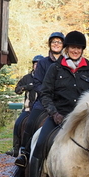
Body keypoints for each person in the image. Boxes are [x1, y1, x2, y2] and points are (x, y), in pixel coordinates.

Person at [26, 30, 89, 177]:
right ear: (67, 49)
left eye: (79, 48)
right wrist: (53, 113)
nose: (75, 50)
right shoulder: (55, 68)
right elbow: (45, 93)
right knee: (41, 141)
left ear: (82, 50)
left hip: (82, 120)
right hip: (59, 116)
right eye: (72, 47)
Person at [15, 32, 65, 167]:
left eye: (59, 42)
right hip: (44, 101)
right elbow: (37, 83)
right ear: (50, 44)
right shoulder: (43, 63)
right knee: (31, 120)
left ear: (63, 45)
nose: (56, 44)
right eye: (54, 42)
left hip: (62, 102)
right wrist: (48, 95)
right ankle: (24, 153)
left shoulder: (68, 62)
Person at [7, 54, 44, 157]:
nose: (37, 66)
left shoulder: (46, 78)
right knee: (18, 123)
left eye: (39, 64)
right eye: (35, 64)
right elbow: (17, 90)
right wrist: (26, 87)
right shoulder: (27, 78)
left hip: (43, 109)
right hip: (28, 109)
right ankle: (16, 148)